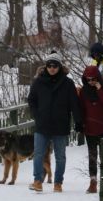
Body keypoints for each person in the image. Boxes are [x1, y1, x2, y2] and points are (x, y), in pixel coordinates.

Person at [27, 52, 83, 193]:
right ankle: (37, 181)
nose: (52, 68)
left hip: (60, 123)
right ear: (46, 66)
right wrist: (36, 114)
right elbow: (32, 100)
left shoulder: (67, 83)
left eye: (55, 66)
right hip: (42, 123)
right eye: (49, 65)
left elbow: (74, 103)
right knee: (38, 154)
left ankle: (58, 183)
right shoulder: (38, 82)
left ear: (60, 67)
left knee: (60, 156)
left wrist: (78, 121)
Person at [76, 66, 103, 194]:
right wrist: (80, 123)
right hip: (90, 128)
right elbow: (81, 108)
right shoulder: (84, 91)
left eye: (93, 79)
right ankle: (93, 182)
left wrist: (99, 91)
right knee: (92, 156)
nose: (91, 81)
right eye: (88, 79)